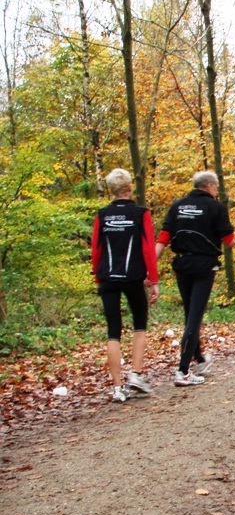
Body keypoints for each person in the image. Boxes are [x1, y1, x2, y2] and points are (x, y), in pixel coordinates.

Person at [156, 170, 235, 386]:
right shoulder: (215, 207)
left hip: (182, 264)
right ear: (209, 186)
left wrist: (150, 267)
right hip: (204, 265)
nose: (217, 190)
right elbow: (229, 240)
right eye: (216, 186)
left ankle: (199, 359)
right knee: (195, 316)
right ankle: (182, 371)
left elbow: (163, 238)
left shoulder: (177, 205)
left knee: (190, 313)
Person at [91, 168, 159, 402]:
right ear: (130, 188)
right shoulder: (141, 213)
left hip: (108, 276)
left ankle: (118, 388)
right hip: (132, 277)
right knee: (139, 325)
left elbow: (96, 249)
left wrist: (98, 276)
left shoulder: (102, 215)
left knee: (113, 332)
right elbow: (148, 248)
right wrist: (154, 280)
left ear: (111, 190)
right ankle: (136, 375)